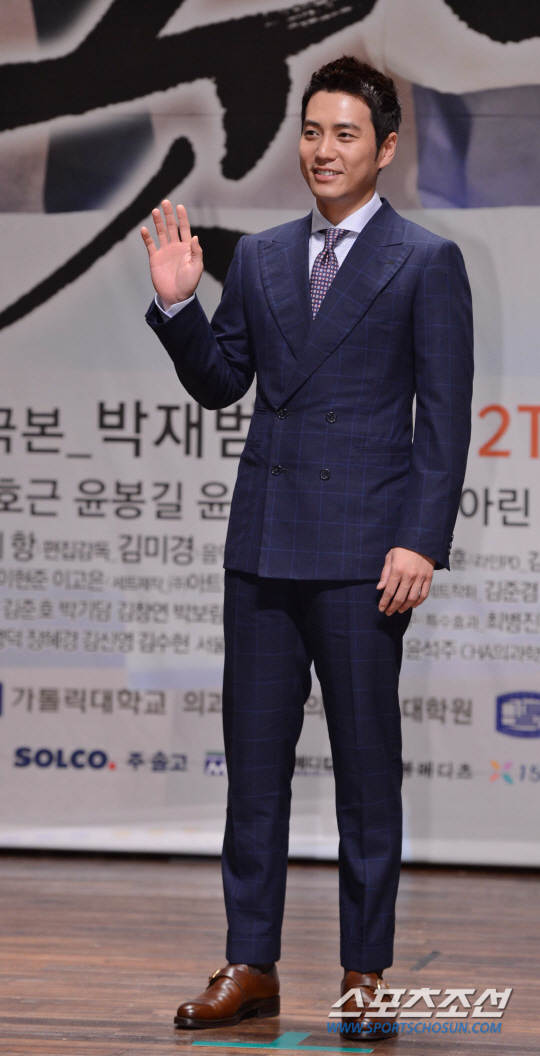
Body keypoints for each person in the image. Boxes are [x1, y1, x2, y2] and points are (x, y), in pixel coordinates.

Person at [141, 56, 473, 1037]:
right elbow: (221, 383)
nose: (324, 150)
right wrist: (178, 307)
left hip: (366, 554)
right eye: (313, 131)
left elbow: (444, 423)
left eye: (345, 135)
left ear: (386, 148)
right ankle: (251, 964)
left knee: (367, 775)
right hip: (263, 547)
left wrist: (421, 541)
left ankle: (365, 973)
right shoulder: (262, 256)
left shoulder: (425, 261)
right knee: (254, 770)